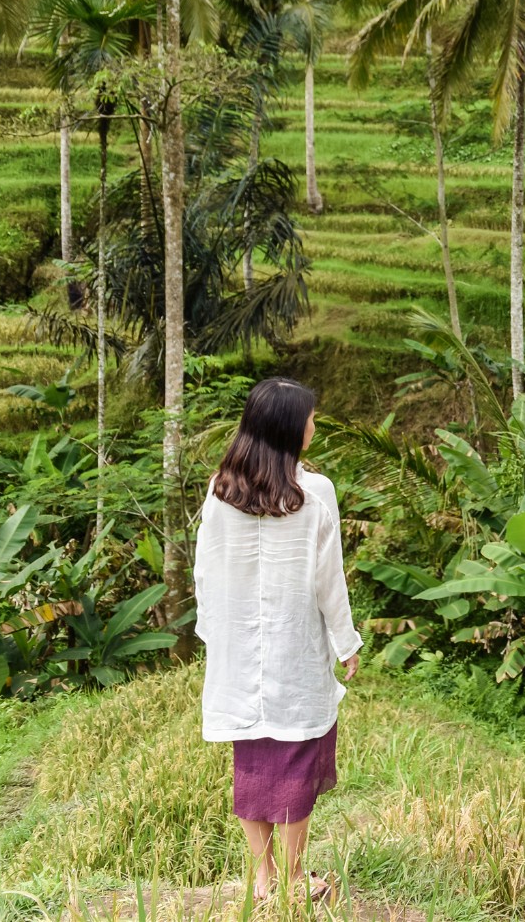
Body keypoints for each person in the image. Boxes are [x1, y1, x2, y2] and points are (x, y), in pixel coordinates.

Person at [194, 377, 361, 903]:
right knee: (296, 759)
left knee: (253, 762)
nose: (314, 425)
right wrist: (346, 641)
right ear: (290, 427)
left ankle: (263, 878)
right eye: (310, 417)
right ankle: (291, 880)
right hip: (295, 652)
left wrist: (213, 635)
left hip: (238, 652)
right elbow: (327, 578)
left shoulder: (222, 489)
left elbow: (205, 571)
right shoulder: (315, 493)